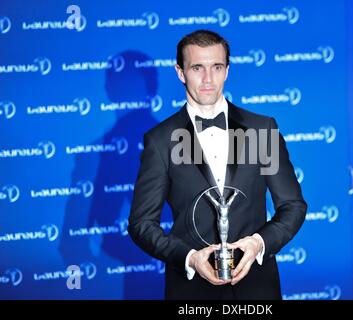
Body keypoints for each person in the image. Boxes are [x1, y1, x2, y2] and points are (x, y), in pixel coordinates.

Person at [128, 29, 307, 300]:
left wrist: (258, 244)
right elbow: (142, 223)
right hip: (191, 292)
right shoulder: (160, 140)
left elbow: (292, 206)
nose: (208, 79)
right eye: (197, 67)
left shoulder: (261, 129)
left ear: (227, 71)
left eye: (217, 67)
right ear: (180, 72)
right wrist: (189, 258)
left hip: (257, 288)